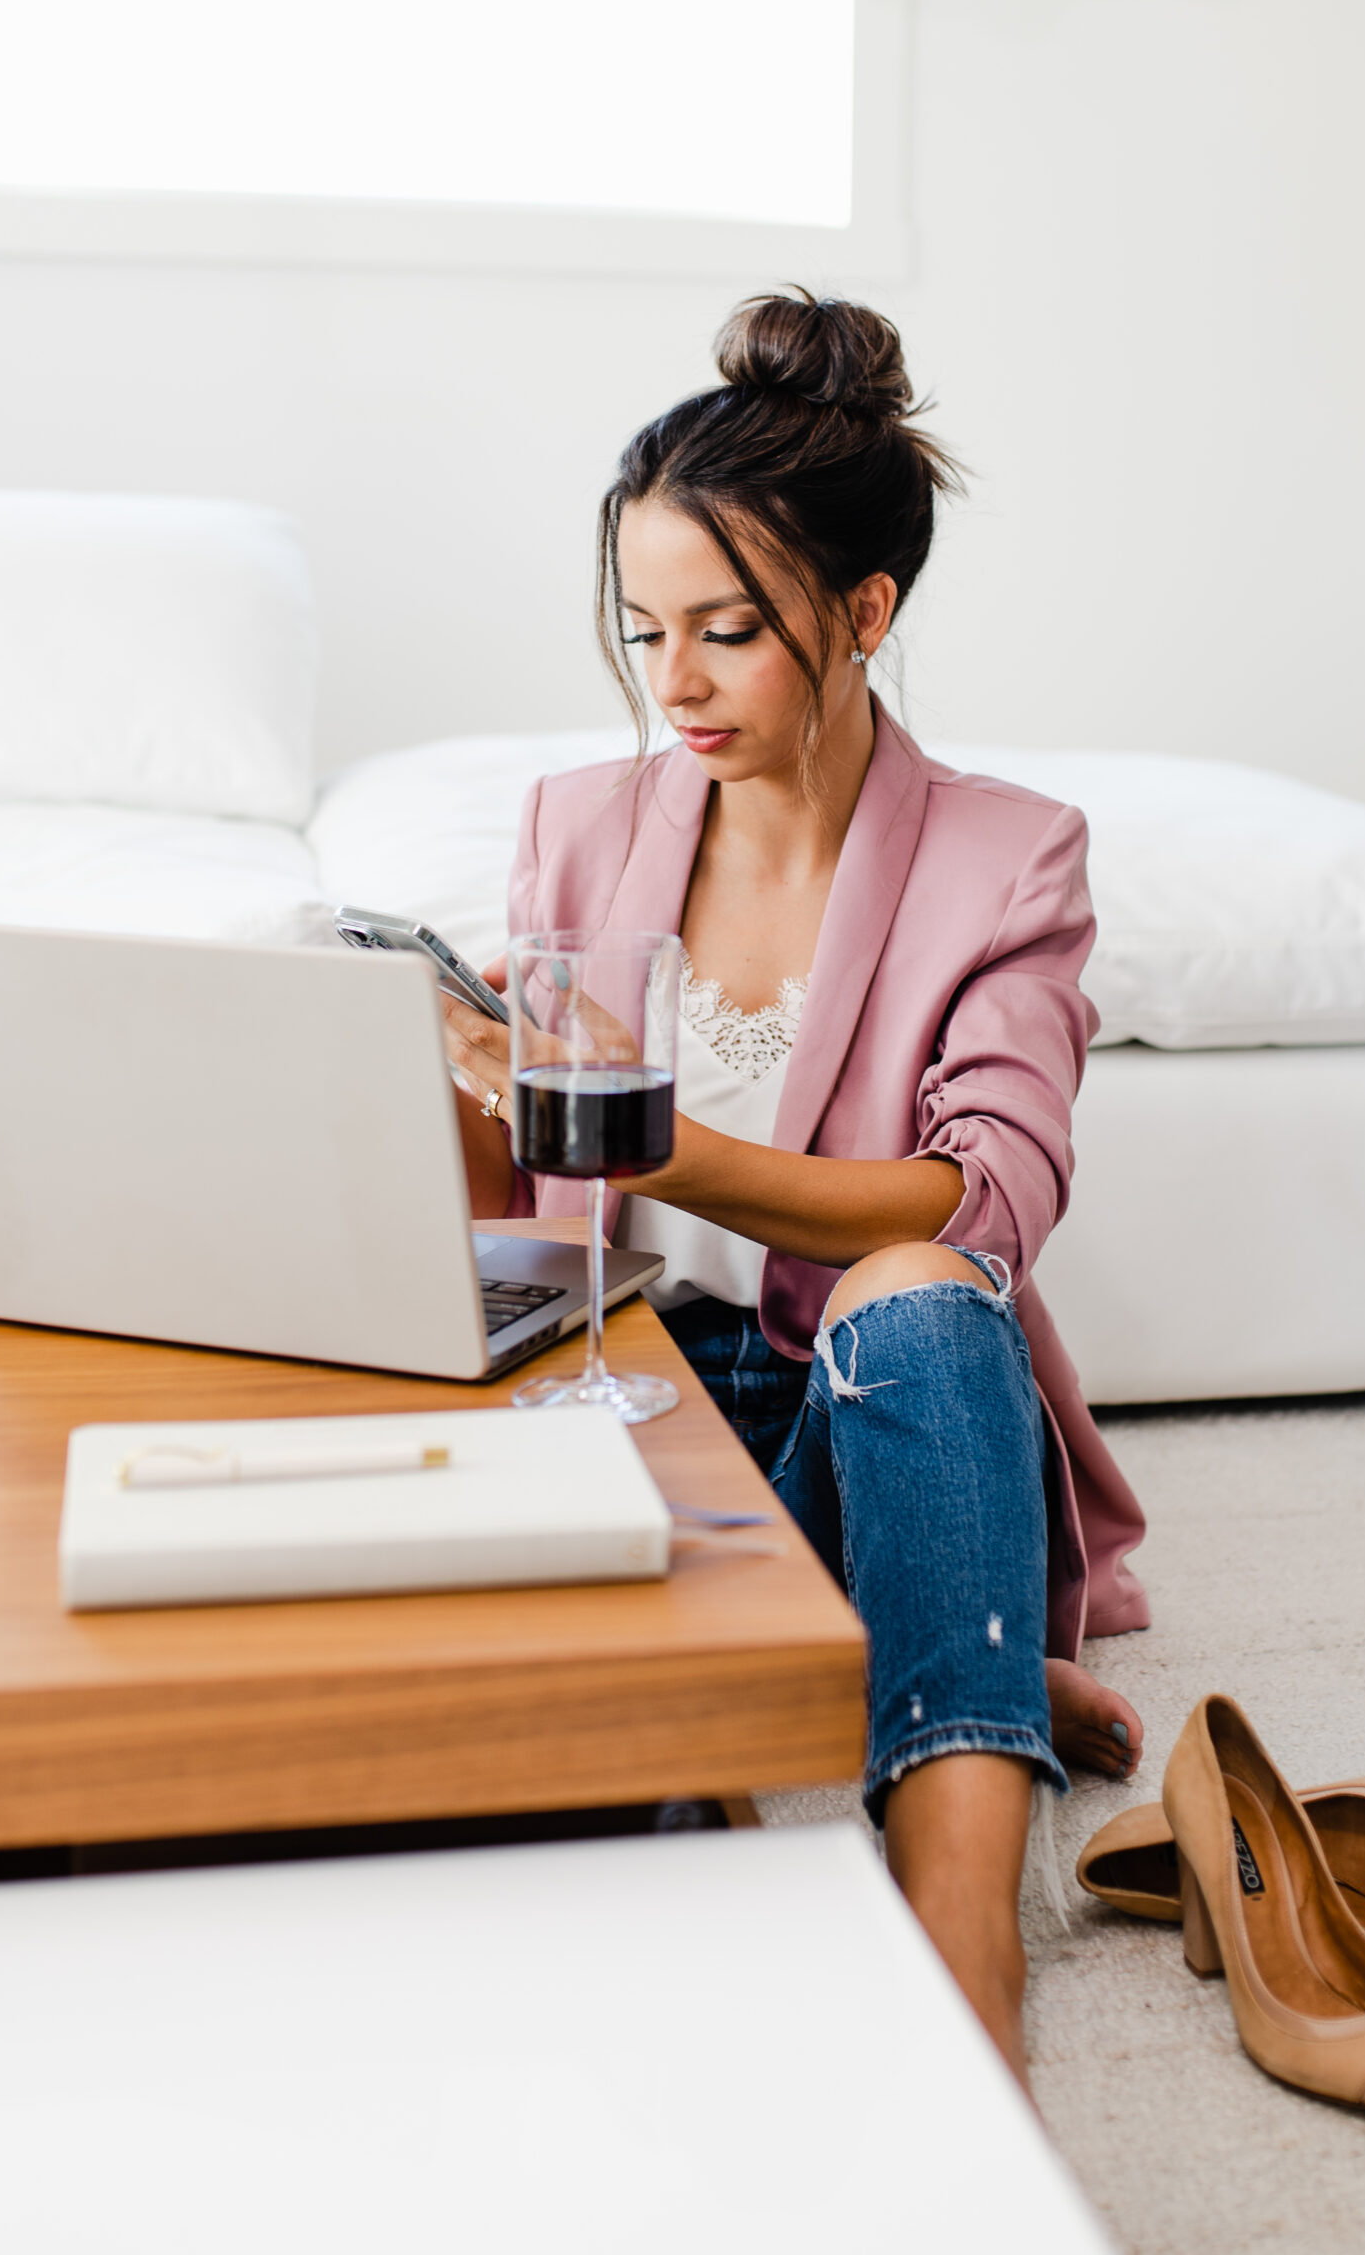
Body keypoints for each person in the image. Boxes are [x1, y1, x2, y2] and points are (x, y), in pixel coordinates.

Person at [444, 290, 1148, 2087]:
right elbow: (528, 1199)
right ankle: (943, 1656)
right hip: (632, 1390)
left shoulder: (1010, 859)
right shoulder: (578, 826)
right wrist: (437, 1088)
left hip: (871, 1391)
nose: (672, 684)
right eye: (641, 630)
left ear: (863, 612)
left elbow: (980, 1203)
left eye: (729, 633)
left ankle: (966, 1941)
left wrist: (663, 1140)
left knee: (913, 1293)